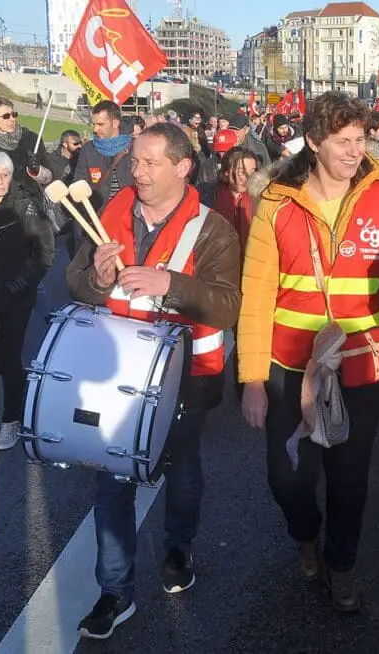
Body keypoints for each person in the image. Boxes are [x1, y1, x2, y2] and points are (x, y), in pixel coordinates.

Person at [237, 91, 379, 613]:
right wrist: (252, 379)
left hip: (364, 367)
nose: (353, 151)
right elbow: (256, 295)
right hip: (288, 366)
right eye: (341, 142)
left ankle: (341, 565)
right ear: (313, 142)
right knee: (289, 478)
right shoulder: (275, 201)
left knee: (349, 479)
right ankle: (304, 534)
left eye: (360, 140)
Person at [66, 123, 242, 639]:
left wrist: (173, 285)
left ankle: (177, 548)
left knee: (182, 472)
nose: (135, 171)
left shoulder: (213, 229)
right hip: (120, 373)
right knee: (112, 480)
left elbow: (229, 305)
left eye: (149, 162)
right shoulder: (113, 211)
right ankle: (114, 592)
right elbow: (75, 282)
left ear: (183, 167)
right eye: (134, 162)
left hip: (188, 378)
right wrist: (96, 280)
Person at [0, 150, 55, 450]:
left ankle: (11, 421)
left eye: (4, 175)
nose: (0, 181)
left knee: (9, 355)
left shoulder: (24, 207)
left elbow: (45, 250)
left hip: (15, 296)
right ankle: (23, 382)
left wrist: (24, 280)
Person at [0, 95, 57, 194]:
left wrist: (37, 171)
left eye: (14, 114)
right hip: (1, 206)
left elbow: (50, 178)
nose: (12, 119)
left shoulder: (32, 139)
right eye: (6, 116)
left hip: (31, 203)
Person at [73, 100, 134, 212]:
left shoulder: (135, 146)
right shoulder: (88, 149)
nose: (95, 129)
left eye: (100, 124)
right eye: (94, 124)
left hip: (129, 213)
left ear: (115, 123)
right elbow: (79, 181)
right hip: (99, 214)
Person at [212, 147, 258, 257]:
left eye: (252, 171)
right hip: (219, 263)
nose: (246, 178)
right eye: (241, 172)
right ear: (227, 171)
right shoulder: (208, 197)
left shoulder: (261, 199)